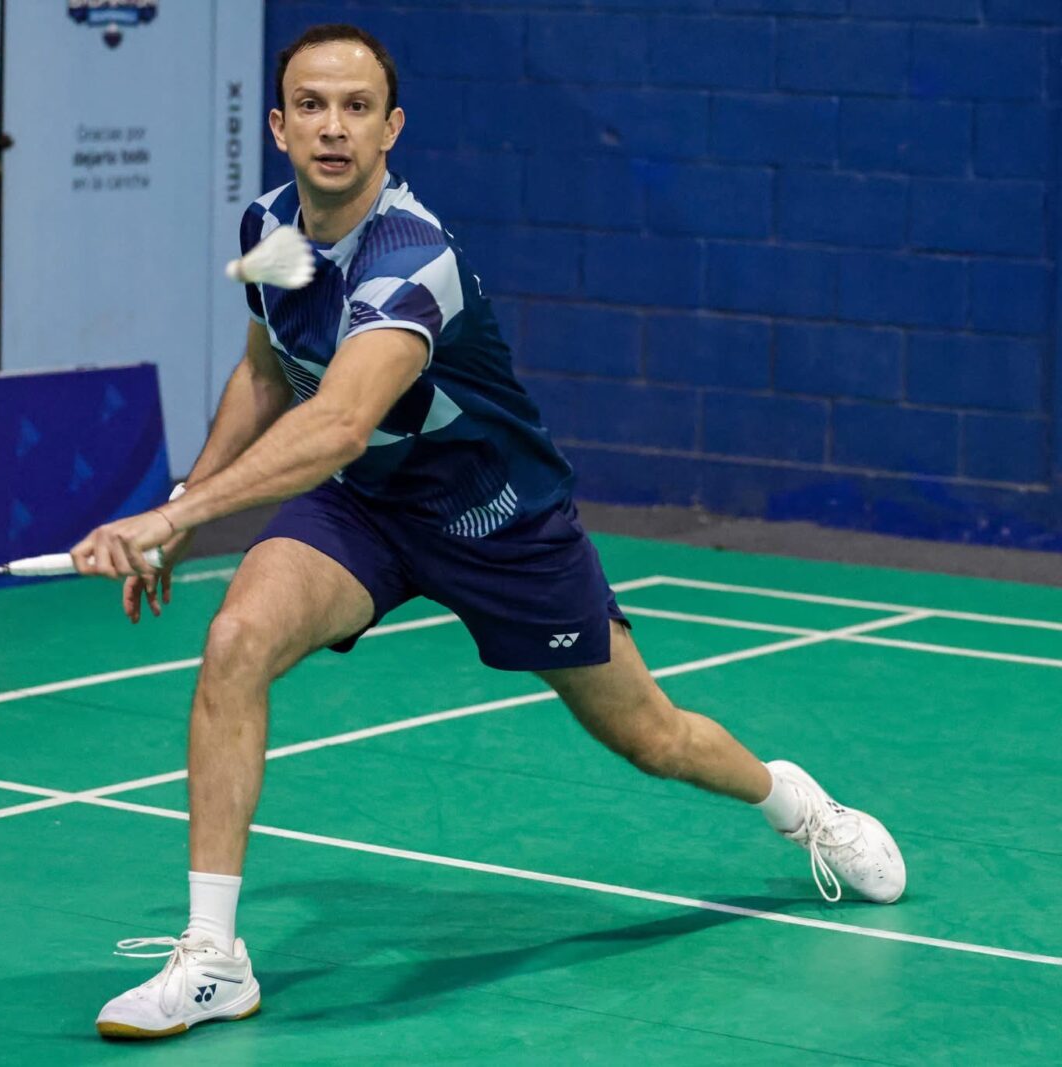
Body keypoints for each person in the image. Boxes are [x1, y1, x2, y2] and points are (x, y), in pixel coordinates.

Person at [70, 23, 906, 1042]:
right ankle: (212, 957)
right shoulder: (272, 226)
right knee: (237, 639)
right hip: (367, 508)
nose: (332, 126)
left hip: (497, 519)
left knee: (649, 734)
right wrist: (188, 498)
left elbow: (337, 421)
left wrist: (170, 516)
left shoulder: (411, 260)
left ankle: (796, 804)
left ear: (391, 128)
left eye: (356, 107)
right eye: (311, 106)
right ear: (279, 126)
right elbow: (263, 369)